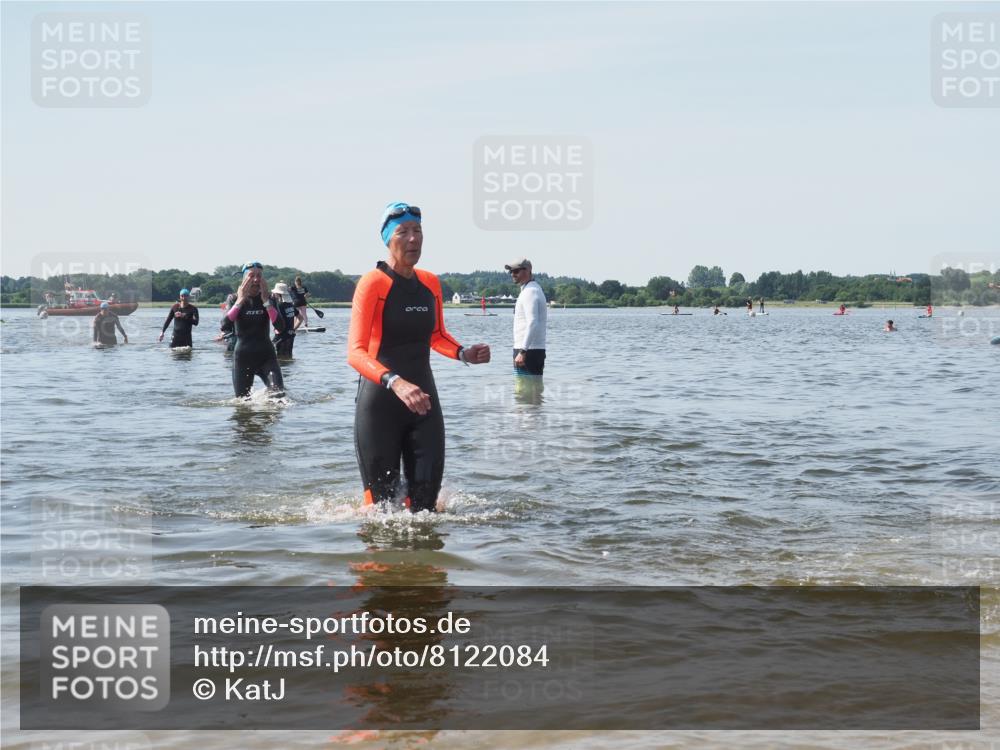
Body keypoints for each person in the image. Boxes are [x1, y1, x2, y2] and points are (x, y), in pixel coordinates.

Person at [349, 202, 490, 512]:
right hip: (380, 405)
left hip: (424, 403)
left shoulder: (430, 283)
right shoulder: (372, 283)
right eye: (403, 232)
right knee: (381, 511)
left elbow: (436, 336)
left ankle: (425, 561)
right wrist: (396, 382)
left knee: (425, 509)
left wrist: (464, 353)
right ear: (388, 239)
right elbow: (356, 353)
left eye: (418, 231)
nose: (413, 239)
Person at [226, 262, 285, 398]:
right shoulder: (233, 298)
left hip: (266, 357)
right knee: (242, 403)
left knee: (278, 396)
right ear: (244, 279)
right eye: (251, 275)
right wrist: (240, 301)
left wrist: (266, 302)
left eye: (259, 276)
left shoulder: (269, 298)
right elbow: (225, 325)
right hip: (243, 358)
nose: (256, 280)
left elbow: (280, 327)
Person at [505, 257, 547, 375]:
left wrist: (523, 351)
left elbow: (533, 322)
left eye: (516, 271)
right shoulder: (529, 290)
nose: (513, 274)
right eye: (511, 271)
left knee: (524, 391)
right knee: (527, 391)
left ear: (528, 270)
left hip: (528, 351)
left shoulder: (530, 292)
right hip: (529, 349)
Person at [271, 281, 301, 357]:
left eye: (275, 293)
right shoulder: (291, 305)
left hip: (281, 336)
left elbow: (277, 321)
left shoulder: (279, 306)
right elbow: (300, 318)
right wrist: (293, 329)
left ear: (278, 294)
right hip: (290, 335)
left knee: (279, 359)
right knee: (288, 357)